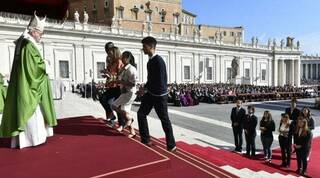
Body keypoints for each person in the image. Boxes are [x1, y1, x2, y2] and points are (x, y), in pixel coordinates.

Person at [0, 12, 57, 149]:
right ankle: (33, 139)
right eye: (40, 33)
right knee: (31, 111)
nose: (41, 36)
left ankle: (23, 140)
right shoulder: (29, 45)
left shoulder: (23, 41)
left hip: (23, 83)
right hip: (29, 87)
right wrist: (46, 64)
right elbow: (34, 67)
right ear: (34, 31)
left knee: (24, 109)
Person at [137, 36, 176, 152]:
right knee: (141, 114)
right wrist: (144, 88)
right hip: (151, 93)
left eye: (144, 46)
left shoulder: (159, 61)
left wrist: (146, 89)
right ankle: (145, 139)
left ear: (150, 47)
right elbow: (151, 79)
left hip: (159, 96)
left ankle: (171, 145)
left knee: (164, 120)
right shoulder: (150, 61)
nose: (142, 49)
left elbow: (160, 81)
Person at [112, 51, 138, 137]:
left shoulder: (131, 69)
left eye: (123, 57)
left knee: (114, 105)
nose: (121, 59)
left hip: (129, 92)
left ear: (127, 58)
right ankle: (132, 132)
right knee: (125, 111)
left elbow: (133, 83)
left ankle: (130, 119)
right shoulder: (125, 68)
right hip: (124, 91)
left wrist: (120, 82)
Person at [98, 43, 124, 127]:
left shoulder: (119, 61)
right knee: (103, 99)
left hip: (117, 86)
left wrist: (110, 75)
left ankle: (121, 123)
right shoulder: (111, 60)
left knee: (115, 104)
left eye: (109, 51)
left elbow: (120, 75)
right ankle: (111, 118)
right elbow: (111, 71)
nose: (107, 53)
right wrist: (106, 72)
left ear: (113, 51)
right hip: (110, 84)